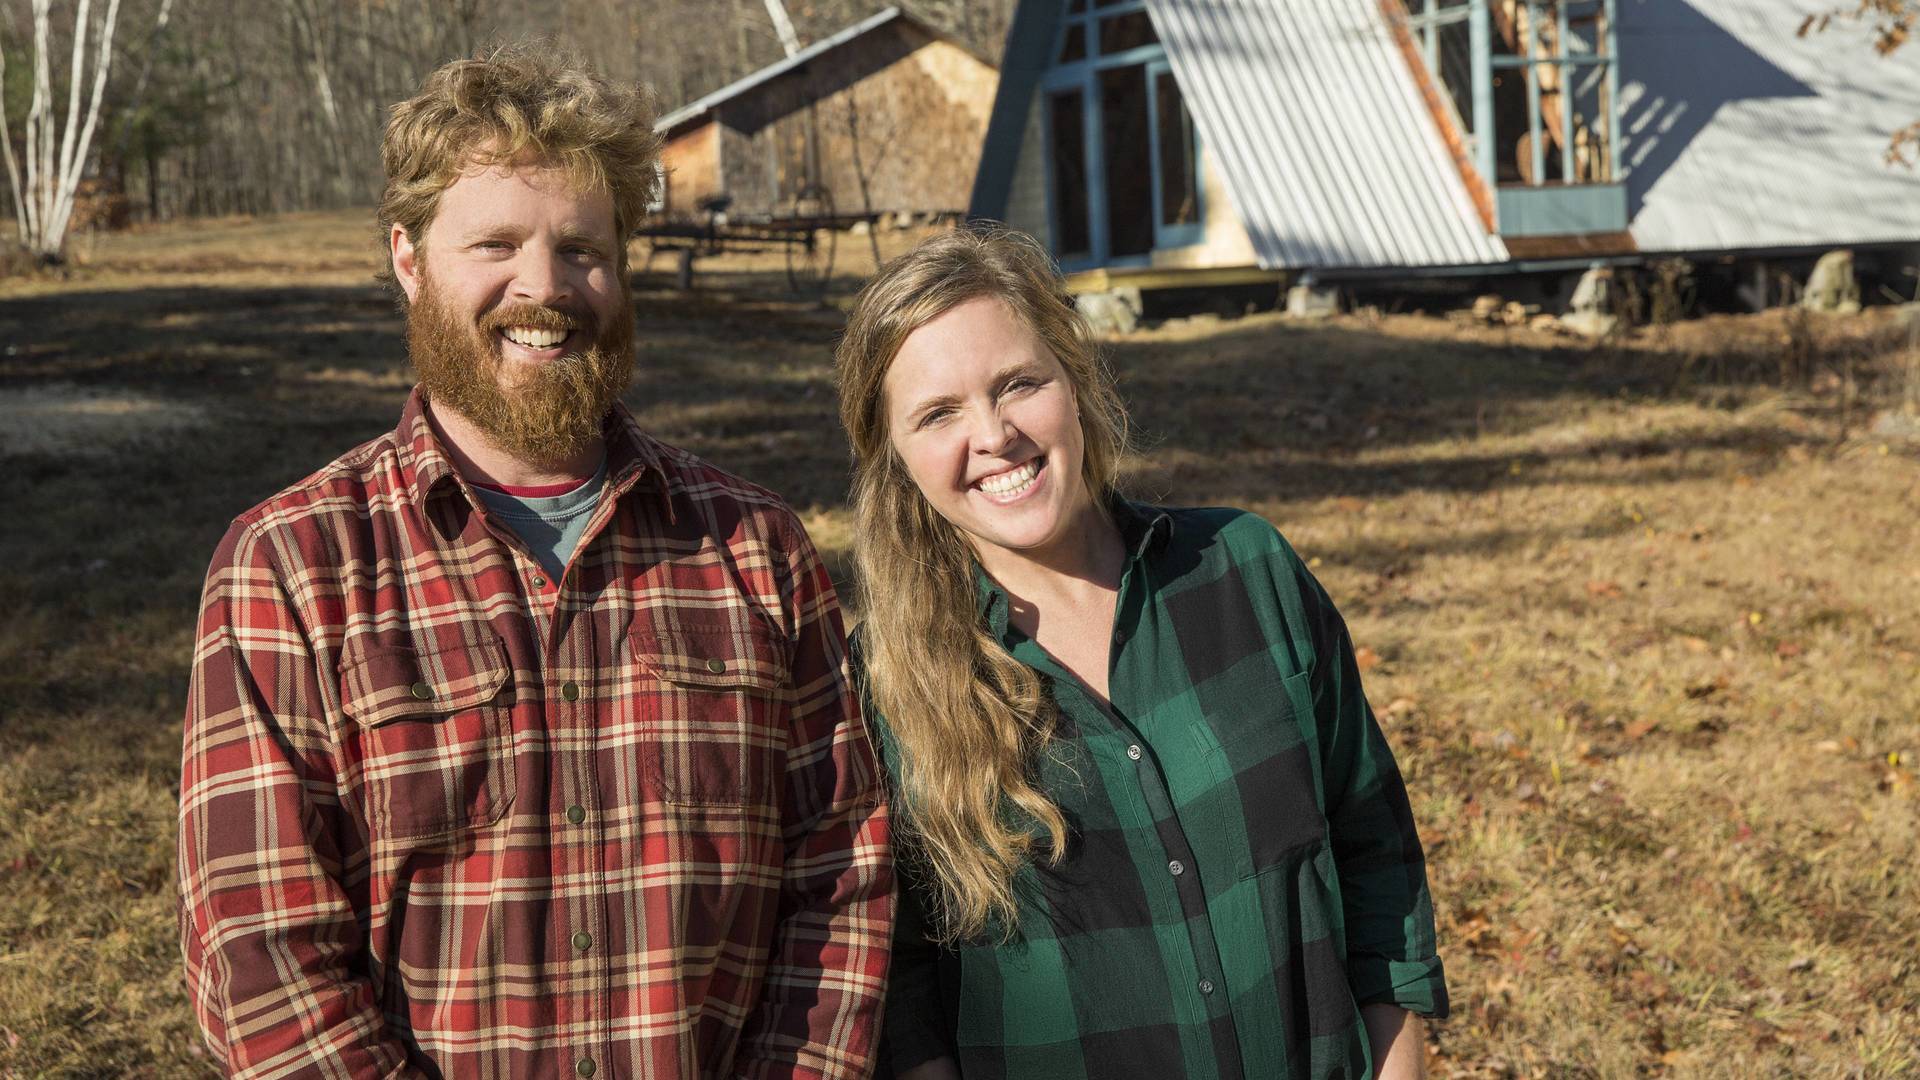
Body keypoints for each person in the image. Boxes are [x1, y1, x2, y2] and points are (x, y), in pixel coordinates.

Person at [176, 46, 891, 1080]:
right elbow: (260, 958)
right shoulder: (291, 567)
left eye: (582, 250)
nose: (544, 289)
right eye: (495, 244)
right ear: (408, 260)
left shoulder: (756, 548)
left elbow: (840, 870)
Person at [834, 229, 1446, 1080]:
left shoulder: (1247, 570)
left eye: (1018, 383)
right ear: (894, 457)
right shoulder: (882, 689)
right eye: (938, 414)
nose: (995, 434)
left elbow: (1374, 850)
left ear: (1074, 381)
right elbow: (901, 997)